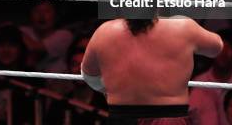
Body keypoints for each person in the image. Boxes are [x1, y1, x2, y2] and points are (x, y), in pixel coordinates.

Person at [80, 17, 223, 124]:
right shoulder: (183, 27)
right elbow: (217, 48)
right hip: (169, 118)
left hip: (121, 116)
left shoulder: (104, 31)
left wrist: (106, 89)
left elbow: (89, 75)